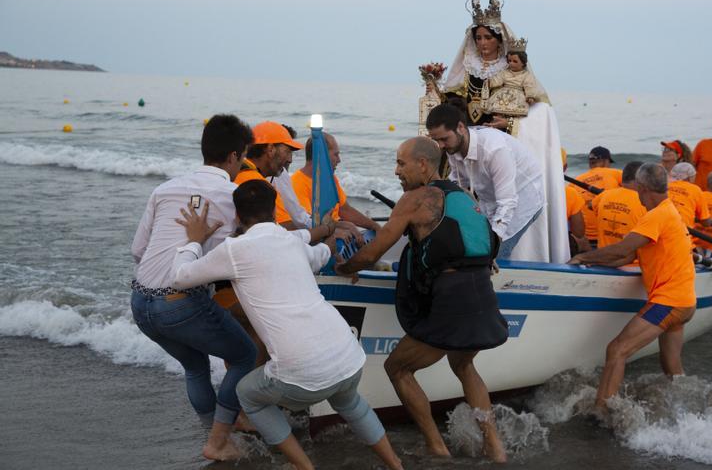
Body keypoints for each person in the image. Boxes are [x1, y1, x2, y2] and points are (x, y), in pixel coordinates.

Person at [170, 180, 403, 470]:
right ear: (273, 210)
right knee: (351, 403)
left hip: (301, 373)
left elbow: (179, 277)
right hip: (349, 355)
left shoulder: (234, 249)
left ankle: (306, 467)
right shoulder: (291, 240)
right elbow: (321, 255)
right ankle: (396, 465)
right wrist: (330, 239)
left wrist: (192, 239)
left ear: (238, 217)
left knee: (247, 393)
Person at [336, 137, 508, 463]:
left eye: (402, 163)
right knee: (463, 363)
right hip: (482, 293)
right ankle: (495, 448)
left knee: (397, 367)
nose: (396, 170)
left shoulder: (415, 198)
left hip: (453, 300)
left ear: (424, 165)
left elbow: (375, 250)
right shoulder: (464, 196)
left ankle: (435, 445)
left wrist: (345, 268)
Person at [129, 114, 257, 461]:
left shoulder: (164, 189)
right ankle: (218, 439)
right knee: (245, 355)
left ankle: (214, 437)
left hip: (140, 303)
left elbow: (137, 251)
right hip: (181, 303)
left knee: (196, 367)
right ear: (234, 156)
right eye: (244, 156)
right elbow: (257, 245)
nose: (243, 163)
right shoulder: (234, 195)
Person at [437, 0, 569, 263]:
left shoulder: (515, 71)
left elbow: (539, 109)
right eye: (478, 38)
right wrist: (432, 87)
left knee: (504, 202)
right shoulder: (467, 70)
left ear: (500, 39)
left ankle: (497, 254)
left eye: (488, 37)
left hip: (500, 143)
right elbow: (451, 104)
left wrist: (508, 125)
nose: (483, 43)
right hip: (467, 143)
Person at [568, 163, 696, 410]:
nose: (637, 195)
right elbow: (627, 257)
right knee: (672, 369)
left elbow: (623, 248)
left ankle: (601, 411)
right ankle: (684, 411)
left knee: (617, 350)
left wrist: (584, 257)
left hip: (668, 301)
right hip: (685, 302)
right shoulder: (670, 211)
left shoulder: (656, 216)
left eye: (638, 190)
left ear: (643, 188)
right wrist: (599, 260)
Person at [427, 103, 544, 260]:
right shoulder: (452, 146)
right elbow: (458, 185)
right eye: (436, 140)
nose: (441, 146)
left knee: (493, 255)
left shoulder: (494, 149)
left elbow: (508, 202)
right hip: (490, 199)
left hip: (523, 198)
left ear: (460, 127)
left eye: (444, 139)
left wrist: (494, 243)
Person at [291, 132, 381, 246]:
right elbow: (309, 223)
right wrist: (341, 228)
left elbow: (345, 210)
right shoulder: (297, 183)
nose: (339, 160)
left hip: (340, 230)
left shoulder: (330, 178)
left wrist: (375, 226)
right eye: (336, 154)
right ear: (321, 155)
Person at [234, 121, 305, 230]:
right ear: (271, 149)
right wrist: (325, 230)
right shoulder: (257, 184)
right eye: (287, 151)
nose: (290, 160)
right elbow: (287, 229)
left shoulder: (236, 171)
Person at [589, 161, 647, 250]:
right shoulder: (645, 202)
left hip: (602, 258)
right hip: (633, 263)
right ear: (640, 180)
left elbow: (590, 206)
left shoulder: (604, 195)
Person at [575, 146, 623, 248]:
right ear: (606, 161)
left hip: (585, 239)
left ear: (590, 163)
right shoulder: (615, 173)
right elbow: (634, 186)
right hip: (610, 237)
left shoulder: (576, 181)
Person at [485, 42, 548, 117]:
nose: (511, 63)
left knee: (516, 110)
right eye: (509, 61)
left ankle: (511, 121)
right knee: (498, 107)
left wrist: (530, 96)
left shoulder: (526, 75)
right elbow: (498, 79)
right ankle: (497, 119)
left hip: (517, 95)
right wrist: (489, 83)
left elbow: (529, 85)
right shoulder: (505, 72)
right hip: (503, 94)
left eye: (515, 61)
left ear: (523, 63)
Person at [667, 162, 711, 233]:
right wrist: (710, 221)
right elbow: (705, 222)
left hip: (662, 225)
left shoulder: (666, 185)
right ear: (689, 177)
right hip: (682, 230)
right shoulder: (695, 190)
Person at [561, 148, 586, 243]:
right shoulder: (570, 193)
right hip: (557, 248)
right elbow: (579, 233)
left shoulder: (519, 190)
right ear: (565, 167)